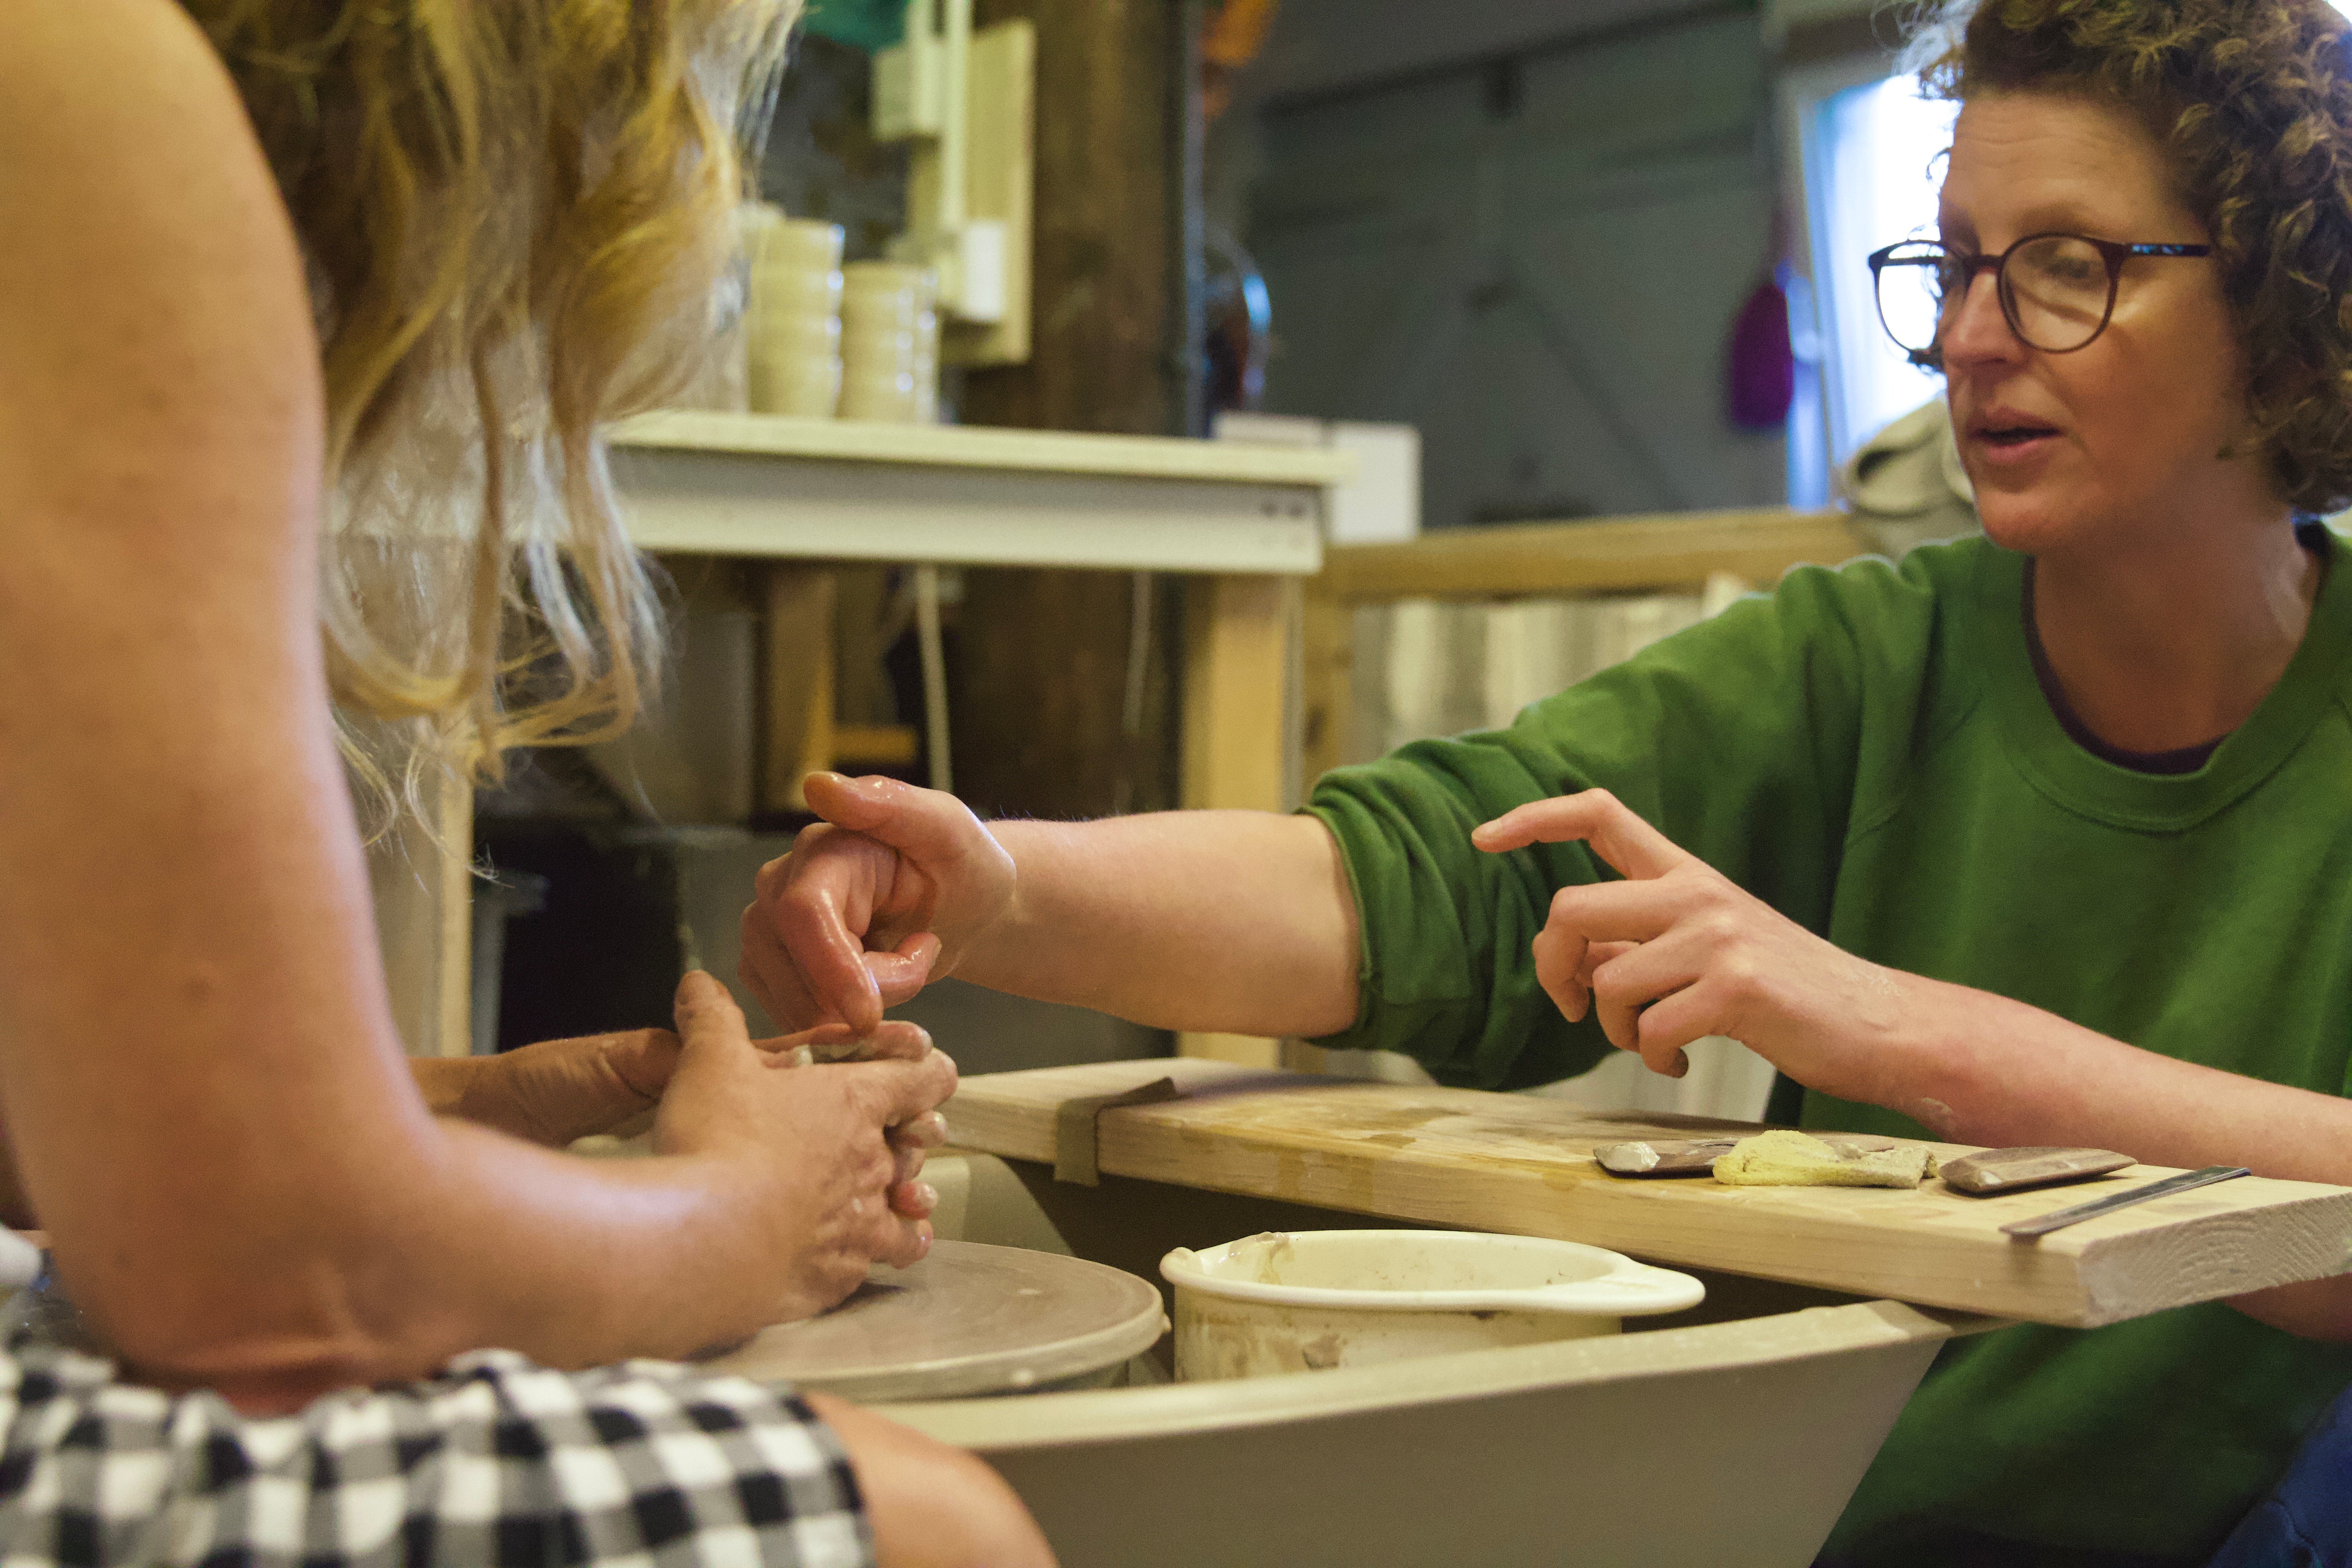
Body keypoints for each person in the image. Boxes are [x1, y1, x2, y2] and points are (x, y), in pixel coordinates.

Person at [741, 0, 2352, 1560]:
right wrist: (996, 886)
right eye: (1951, 266)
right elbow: (1421, 876)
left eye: (2065, 268)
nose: (1968, 338)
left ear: (2290, 299)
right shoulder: (1865, 662)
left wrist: (1898, 1029)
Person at [0, 2, 1052, 1563]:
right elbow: (279, 1284)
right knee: (930, 1530)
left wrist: (448, 1117)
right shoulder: (78, 80)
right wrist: (747, 1214)